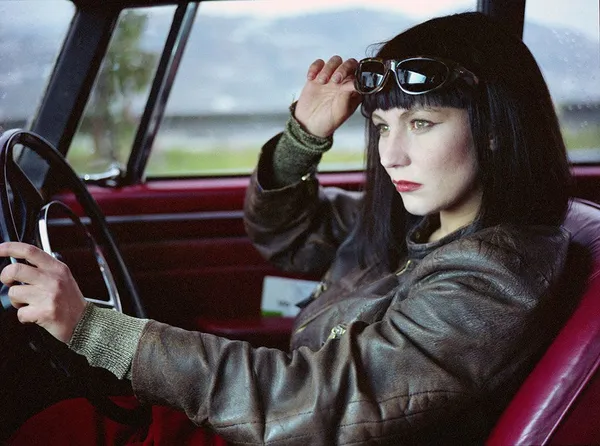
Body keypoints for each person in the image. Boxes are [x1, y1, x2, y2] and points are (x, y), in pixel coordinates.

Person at [0, 11, 575, 445]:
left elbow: (320, 403)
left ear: (494, 130)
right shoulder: (418, 222)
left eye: (421, 123)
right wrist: (305, 134)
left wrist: (96, 330)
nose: (391, 155)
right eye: (381, 126)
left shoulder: (490, 279)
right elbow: (288, 232)